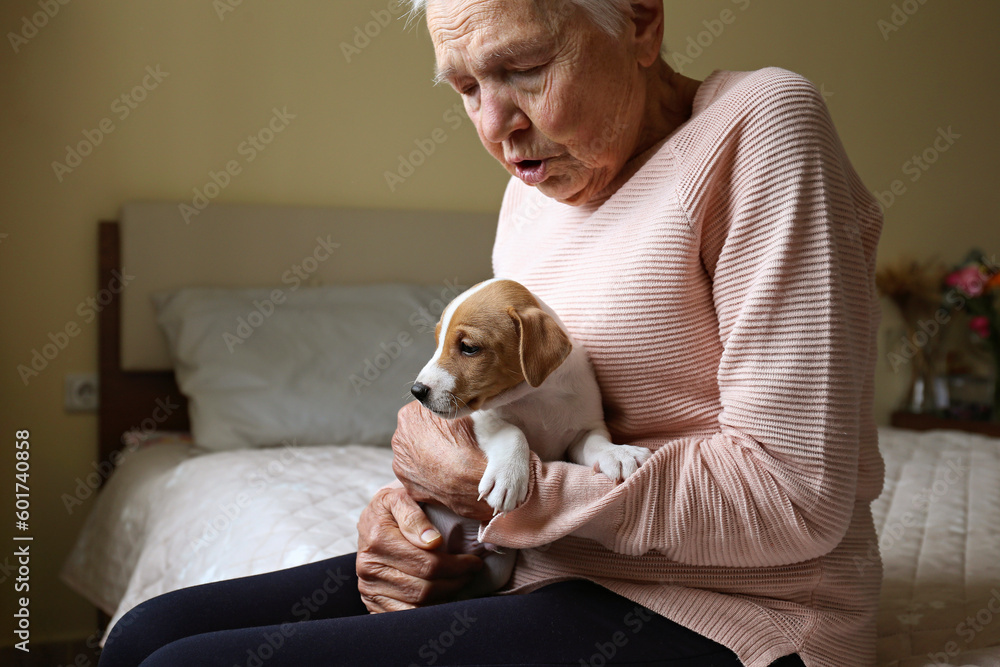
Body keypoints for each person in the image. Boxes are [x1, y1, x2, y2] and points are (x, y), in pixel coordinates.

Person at [99, 0, 884, 665]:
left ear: (642, 22)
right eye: (467, 86)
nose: (497, 126)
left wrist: (511, 494)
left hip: (730, 609)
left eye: (524, 69)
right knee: (143, 634)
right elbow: (497, 413)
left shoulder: (762, 126)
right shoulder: (533, 193)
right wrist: (400, 521)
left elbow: (798, 497)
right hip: (528, 563)